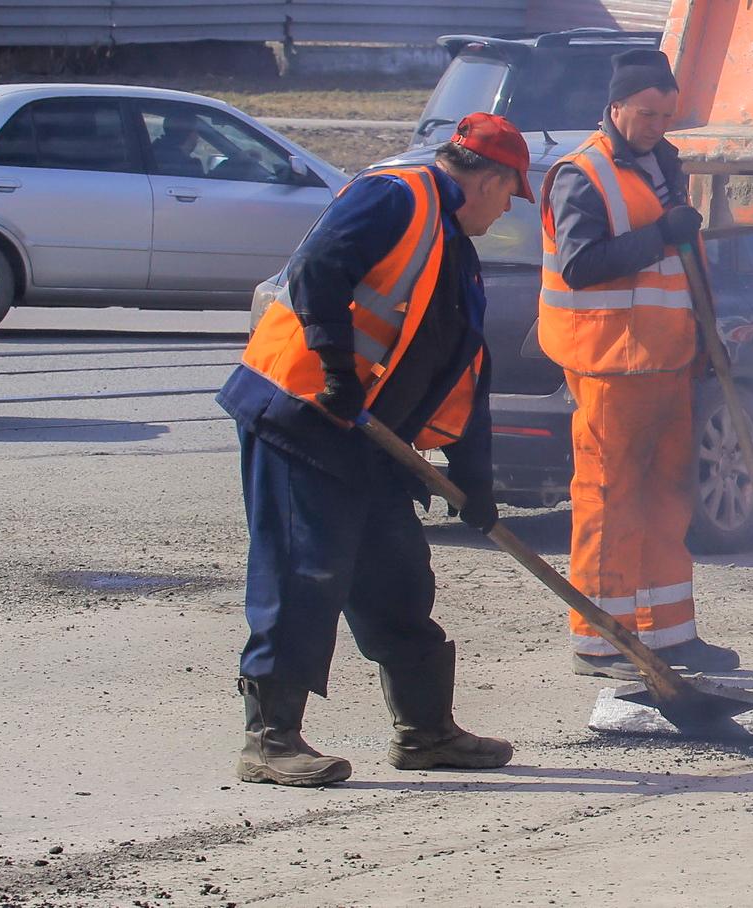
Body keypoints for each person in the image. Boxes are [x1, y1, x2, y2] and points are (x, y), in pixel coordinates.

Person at [216, 112, 530, 786]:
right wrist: (335, 368)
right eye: (510, 196)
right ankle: (270, 742)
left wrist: (474, 481)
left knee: (397, 581)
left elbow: (467, 378)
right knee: (303, 576)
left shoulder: (458, 257)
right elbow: (318, 269)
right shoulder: (397, 194)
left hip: (370, 442)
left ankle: (426, 734)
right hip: (302, 415)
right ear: (492, 178)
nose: (507, 210)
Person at [538, 49, 738, 679]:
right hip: (610, 366)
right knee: (608, 501)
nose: (657, 125)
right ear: (617, 106)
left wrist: (708, 342)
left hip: (667, 360)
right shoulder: (582, 174)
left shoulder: (663, 166)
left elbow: (681, 272)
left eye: (666, 114)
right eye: (647, 113)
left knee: (666, 499)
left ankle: (669, 634)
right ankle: (601, 640)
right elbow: (580, 265)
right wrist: (663, 234)